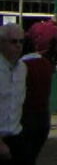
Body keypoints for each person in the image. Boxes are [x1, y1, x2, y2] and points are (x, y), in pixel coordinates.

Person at [0, 23, 28, 163]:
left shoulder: (22, 68)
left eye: (21, 41)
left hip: (16, 136)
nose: (18, 45)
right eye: (13, 41)